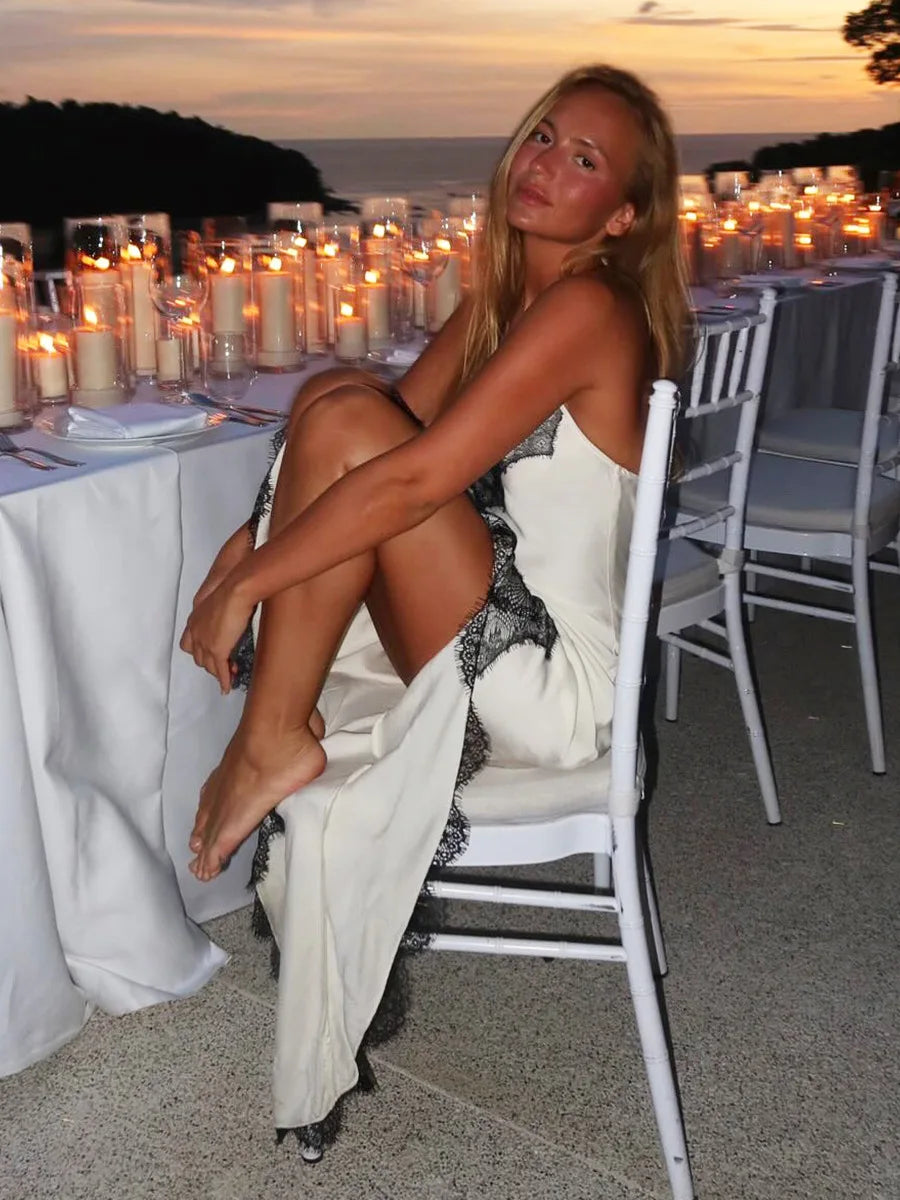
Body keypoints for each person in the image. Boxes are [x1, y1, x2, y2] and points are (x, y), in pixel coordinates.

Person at [180, 63, 689, 1158]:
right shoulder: (507, 301)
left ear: (626, 215)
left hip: (558, 691)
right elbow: (344, 440)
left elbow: (406, 481)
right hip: (496, 614)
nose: (547, 164)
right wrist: (236, 563)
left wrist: (248, 586)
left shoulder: (591, 307)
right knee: (333, 395)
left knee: (355, 426)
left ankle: (270, 737)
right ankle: (271, 735)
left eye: (585, 161)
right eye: (545, 138)